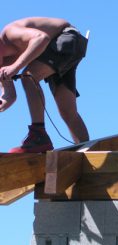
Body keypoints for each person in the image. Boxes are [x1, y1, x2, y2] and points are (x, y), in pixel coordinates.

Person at [0, 17, 89, 153]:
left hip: (67, 38)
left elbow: (42, 38)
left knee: (28, 77)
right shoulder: (4, 62)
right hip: (59, 50)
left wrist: (16, 67)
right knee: (67, 110)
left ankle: (39, 135)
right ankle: (86, 150)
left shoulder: (10, 34)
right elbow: (9, 96)